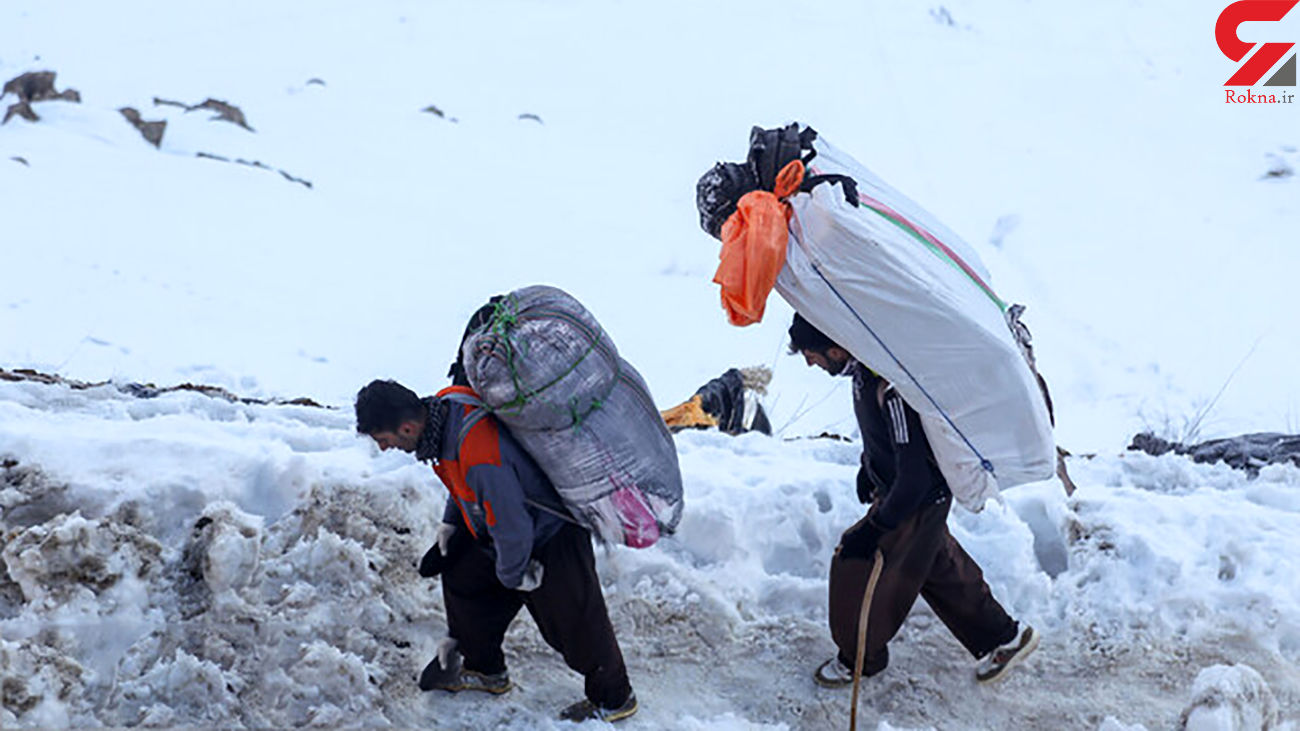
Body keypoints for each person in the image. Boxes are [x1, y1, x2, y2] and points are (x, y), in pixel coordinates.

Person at [354, 379, 638, 723]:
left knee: (574, 620)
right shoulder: (444, 411)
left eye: (384, 440)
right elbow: (462, 482)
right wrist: (451, 530)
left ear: (407, 428)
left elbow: (512, 528)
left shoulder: (478, 452)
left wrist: (513, 575)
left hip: (551, 531)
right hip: (507, 524)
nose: (385, 448)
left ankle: (614, 697)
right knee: (463, 576)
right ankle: (484, 669)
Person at [787, 313, 1039, 687]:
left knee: (856, 568)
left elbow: (915, 472)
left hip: (915, 498)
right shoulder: (863, 372)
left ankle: (859, 659)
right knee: (939, 569)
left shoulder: (890, 386)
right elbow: (886, 437)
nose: (811, 363)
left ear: (835, 349)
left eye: (811, 354)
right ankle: (1004, 638)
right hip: (906, 493)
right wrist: (868, 468)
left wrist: (877, 527)